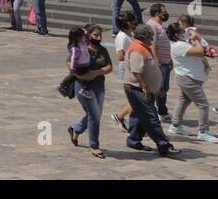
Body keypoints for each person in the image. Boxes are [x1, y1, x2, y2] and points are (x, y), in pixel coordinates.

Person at [123, 23, 178, 156]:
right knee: (151, 117)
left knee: (138, 115)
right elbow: (137, 71)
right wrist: (146, 88)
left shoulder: (143, 47)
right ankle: (164, 145)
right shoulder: (137, 49)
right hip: (137, 89)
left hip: (143, 89)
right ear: (145, 36)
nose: (152, 39)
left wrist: (157, 86)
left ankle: (133, 140)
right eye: (151, 36)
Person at [167, 23, 218, 143]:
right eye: (181, 32)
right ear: (176, 35)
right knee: (203, 104)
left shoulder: (181, 43)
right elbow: (200, 52)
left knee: (183, 100)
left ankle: (175, 125)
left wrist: (195, 37)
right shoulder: (179, 45)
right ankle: (203, 131)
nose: (184, 33)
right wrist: (195, 38)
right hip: (188, 79)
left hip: (189, 77)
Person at [66, 24, 112, 159]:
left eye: (100, 35)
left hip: (99, 86)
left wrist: (97, 72)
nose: (99, 37)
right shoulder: (80, 48)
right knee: (95, 115)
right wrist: (81, 76)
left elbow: (109, 66)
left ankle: (76, 129)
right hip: (83, 87)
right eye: (95, 35)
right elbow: (69, 64)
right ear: (88, 35)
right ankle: (94, 146)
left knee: (95, 115)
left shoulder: (102, 50)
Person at [145, 3, 173, 121]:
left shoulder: (159, 25)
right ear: (157, 13)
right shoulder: (151, 25)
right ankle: (152, 112)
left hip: (165, 62)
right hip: (159, 63)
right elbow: (153, 44)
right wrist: (157, 62)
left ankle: (162, 111)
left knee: (163, 88)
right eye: (164, 11)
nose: (166, 13)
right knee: (156, 89)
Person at [110, 11, 137, 130]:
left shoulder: (128, 35)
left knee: (136, 100)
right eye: (132, 21)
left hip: (131, 68)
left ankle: (120, 117)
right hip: (127, 69)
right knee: (137, 99)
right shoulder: (122, 37)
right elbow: (120, 56)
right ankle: (122, 118)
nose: (134, 23)